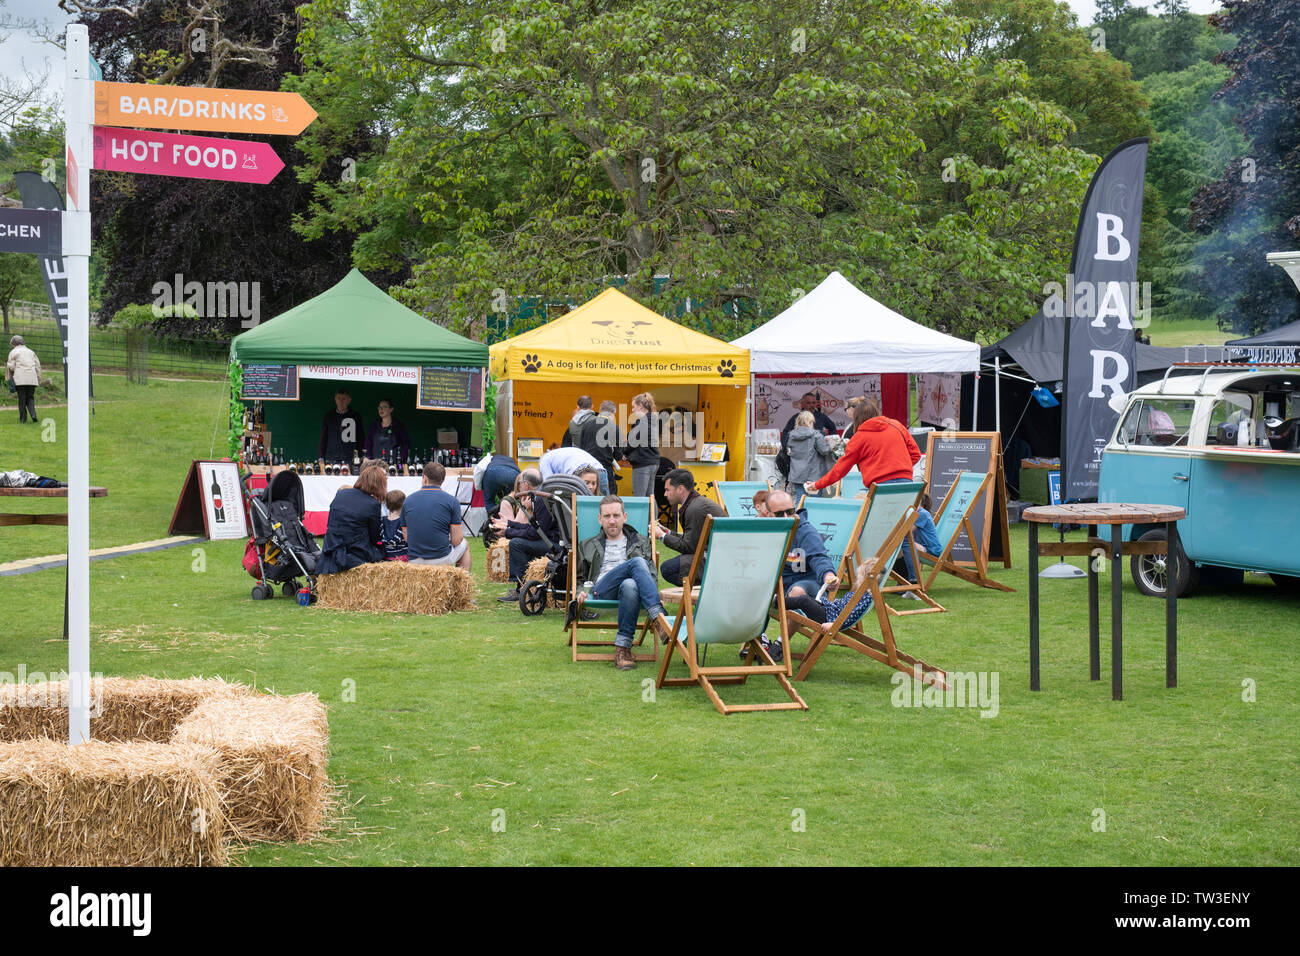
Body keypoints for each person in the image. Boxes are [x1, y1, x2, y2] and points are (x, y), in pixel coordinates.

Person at [803, 398, 942, 585]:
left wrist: (817, 485)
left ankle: (869, 579)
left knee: (873, 533)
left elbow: (840, 470)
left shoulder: (859, 437)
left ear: (858, 418)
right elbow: (916, 454)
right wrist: (900, 467)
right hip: (906, 486)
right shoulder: (896, 426)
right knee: (904, 534)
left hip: (881, 489)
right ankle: (912, 583)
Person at [571, 495, 673, 670]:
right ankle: (658, 617)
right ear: (599, 519)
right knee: (637, 563)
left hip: (630, 592)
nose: (612, 521)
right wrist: (580, 592)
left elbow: (651, 575)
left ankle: (623, 649)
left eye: (616, 516)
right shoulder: (586, 545)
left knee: (630, 585)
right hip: (601, 590)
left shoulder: (641, 542)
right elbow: (580, 578)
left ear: (625, 517)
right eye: (607, 516)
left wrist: (651, 591)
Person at [653, 468, 725, 587]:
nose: (665, 494)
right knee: (674, 565)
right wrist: (666, 531)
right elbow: (692, 540)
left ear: (680, 489)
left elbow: (688, 547)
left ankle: (705, 591)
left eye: (667, 490)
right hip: (714, 554)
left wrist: (662, 536)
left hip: (716, 560)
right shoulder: (696, 503)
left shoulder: (695, 509)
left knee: (668, 569)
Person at [494, 470, 559, 601]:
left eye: (519, 483)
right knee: (520, 541)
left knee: (516, 544)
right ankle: (523, 585)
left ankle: (521, 587)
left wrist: (507, 532)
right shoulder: (541, 496)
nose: (518, 486)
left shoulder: (540, 499)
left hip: (553, 544)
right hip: (550, 539)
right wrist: (509, 524)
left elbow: (535, 533)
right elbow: (534, 528)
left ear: (526, 484)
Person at [763, 490, 838, 601]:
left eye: (790, 511)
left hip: (807, 583)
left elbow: (818, 557)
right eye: (779, 514)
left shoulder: (806, 532)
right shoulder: (764, 531)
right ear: (768, 514)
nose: (786, 517)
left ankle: (792, 617)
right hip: (778, 585)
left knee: (797, 592)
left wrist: (828, 575)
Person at [317, 464, 387, 574]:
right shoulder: (373, 504)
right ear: (379, 484)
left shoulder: (341, 494)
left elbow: (331, 522)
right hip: (354, 552)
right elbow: (375, 536)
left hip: (331, 547)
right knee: (384, 552)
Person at [401, 461, 471, 570]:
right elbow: (456, 540)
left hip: (414, 558)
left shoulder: (408, 500)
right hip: (441, 557)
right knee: (465, 545)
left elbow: (406, 538)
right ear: (442, 480)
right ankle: (462, 584)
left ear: (424, 478)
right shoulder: (452, 501)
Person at [561, 398, 617, 493]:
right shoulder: (597, 421)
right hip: (600, 462)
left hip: (579, 462)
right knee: (605, 492)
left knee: (582, 491)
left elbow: (565, 446)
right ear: (592, 406)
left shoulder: (572, 424)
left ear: (578, 407)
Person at [785, 410, 837, 495]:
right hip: (814, 474)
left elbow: (788, 451)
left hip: (797, 474)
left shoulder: (791, 436)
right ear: (810, 422)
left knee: (800, 500)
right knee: (815, 502)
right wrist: (831, 446)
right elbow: (824, 451)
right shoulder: (816, 435)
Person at [619, 392, 660, 498]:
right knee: (650, 496)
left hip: (643, 462)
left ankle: (644, 515)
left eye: (633, 407)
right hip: (652, 461)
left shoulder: (644, 421)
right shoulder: (651, 419)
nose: (632, 410)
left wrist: (623, 452)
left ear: (640, 406)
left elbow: (633, 442)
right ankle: (653, 515)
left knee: (640, 497)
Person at [319, 388, 364, 466]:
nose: (341, 401)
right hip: (331, 458)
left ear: (349, 400)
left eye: (344, 399)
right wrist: (321, 457)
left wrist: (360, 456)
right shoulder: (329, 416)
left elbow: (360, 438)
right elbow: (323, 438)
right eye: (338, 398)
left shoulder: (355, 416)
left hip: (350, 459)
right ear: (335, 399)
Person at [6, 335, 41, 425]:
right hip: (32, 379)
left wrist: (8, 366)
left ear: (14, 344)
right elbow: (38, 366)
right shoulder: (31, 352)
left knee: (22, 400)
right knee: (30, 398)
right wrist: (38, 379)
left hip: (20, 379)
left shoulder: (13, 352)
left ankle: (23, 419)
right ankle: (33, 415)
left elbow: (13, 367)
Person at [539, 445, 606, 491]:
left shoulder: (544, 460)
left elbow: (547, 484)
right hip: (601, 471)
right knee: (606, 506)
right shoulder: (559, 453)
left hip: (582, 473)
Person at [365, 398, 411, 463]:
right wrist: (370, 459)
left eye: (384, 407)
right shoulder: (374, 425)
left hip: (393, 465)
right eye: (379, 407)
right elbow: (368, 444)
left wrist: (401, 461)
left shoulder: (398, 426)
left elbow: (406, 444)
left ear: (391, 409)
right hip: (375, 464)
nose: (381, 409)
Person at [380, 490, 409, 561]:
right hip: (403, 558)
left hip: (387, 557)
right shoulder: (404, 521)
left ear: (386, 505)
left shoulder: (381, 520)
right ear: (403, 504)